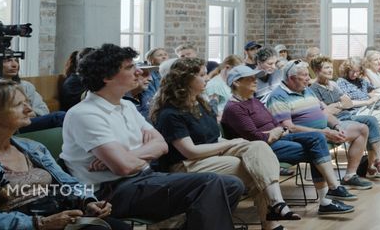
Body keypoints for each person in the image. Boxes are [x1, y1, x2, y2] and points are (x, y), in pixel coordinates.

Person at [60, 43, 243, 230]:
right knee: (210, 183)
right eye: (130, 67)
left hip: (143, 178)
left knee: (232, 184)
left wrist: (126, 155)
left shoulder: (126, 105)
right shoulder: (85, 114)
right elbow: (125, 167)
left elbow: (161, 145)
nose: (139, 71)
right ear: (107, 77)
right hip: (111, 191)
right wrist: (132, 157)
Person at [0, 78, 124, 230]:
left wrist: (87, 201)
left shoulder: (32, 148)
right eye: (18, 105)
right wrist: (40, 224)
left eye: (27, 102)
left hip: (52, 219)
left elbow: (68, 184)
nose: (29, 109)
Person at [149, 59, 300, 230]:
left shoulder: (200, 104)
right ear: (185, 80)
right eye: (201, 75)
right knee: (252, 168)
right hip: (185, 164)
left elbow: (214, 138)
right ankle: (271, 221)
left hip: (209, 156)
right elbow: (190, 151)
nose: (207, 78)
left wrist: (236, 144)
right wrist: (231, 144)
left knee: (258, 147)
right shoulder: (170, 113)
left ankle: (277, 203)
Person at [220, 66, 354, 216]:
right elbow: (257, 137)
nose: (255, 81)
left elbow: (276, 124)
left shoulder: (253, 101)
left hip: (278, 137)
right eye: (250, 78)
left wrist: (276, 132)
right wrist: (274, 133)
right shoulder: (234, 108)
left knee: (318, 138)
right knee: (316, 148)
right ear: (237, 83)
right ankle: (328, 198)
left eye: (255, 77)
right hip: (260, 149)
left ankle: (332, 191)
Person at [264, 63, 371, 189]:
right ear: (291, 78)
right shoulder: (278, 97)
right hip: (306, 137)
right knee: (318, 140)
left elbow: (324, 112)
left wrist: (337, 126)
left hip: (326, 131)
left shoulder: (307, 89)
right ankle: (329, 192)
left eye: (308, 75)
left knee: (362, 129)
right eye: (304, 75)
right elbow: (289, 128)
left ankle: (350, 176)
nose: (309, 78)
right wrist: (324, 133)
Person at [307, 58, 380, 179]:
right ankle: (359, 172)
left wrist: (338, 105)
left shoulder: (333, 85)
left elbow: (349, 103)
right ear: (316, 70)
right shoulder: (313, 89)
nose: (331, 70)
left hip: (346, 115)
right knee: (365, 126)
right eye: (326, 67)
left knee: (371, 120)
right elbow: (326, 111)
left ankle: (376, 162)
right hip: (334, 121)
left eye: (331, 67)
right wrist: (340, 105)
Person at [0, 56, 65, 130]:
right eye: (8, 61)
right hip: (6, 127)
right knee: (58, 117)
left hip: (28, 123)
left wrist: (30, 113)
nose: (14, 65)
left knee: (64, 116)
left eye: (16, 60)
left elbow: (44, 110)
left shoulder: (26, 86)